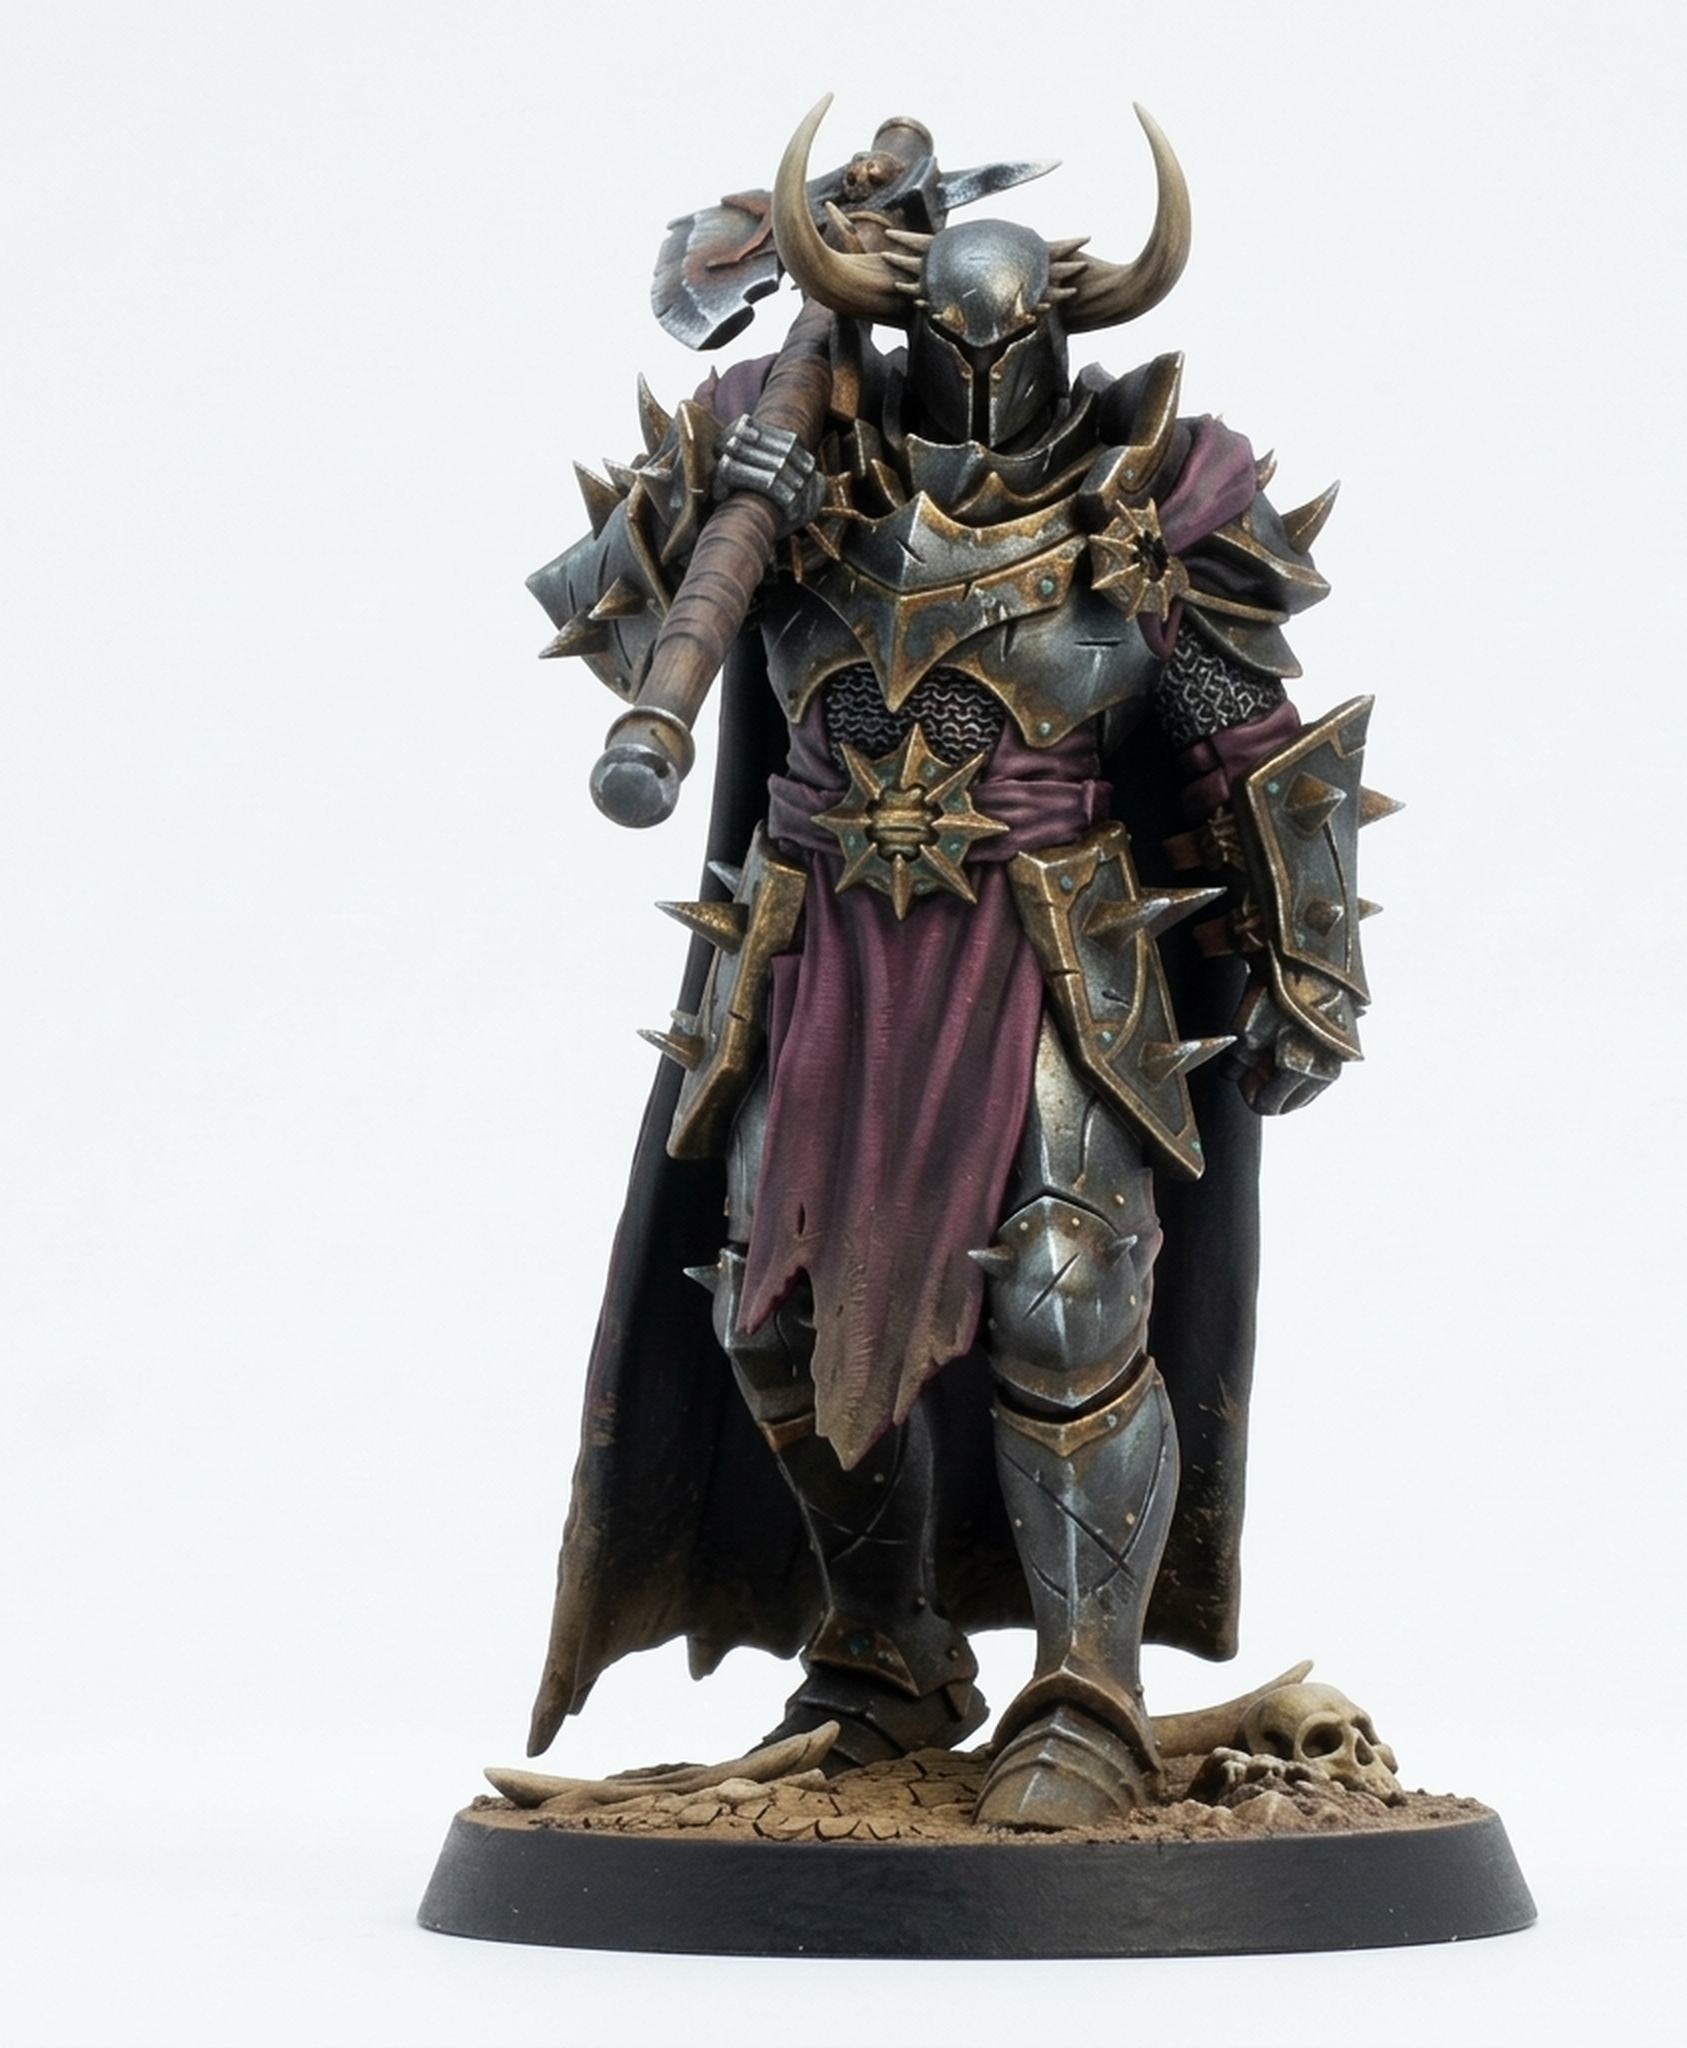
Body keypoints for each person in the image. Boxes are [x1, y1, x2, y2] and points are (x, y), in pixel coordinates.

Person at [522, 102, 1390, 1829]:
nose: (986, 383)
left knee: (1067, 1296)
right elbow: (610, 611)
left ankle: (1087, 1693)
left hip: (1054, 949)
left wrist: (1310, 968)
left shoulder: (1147, 495)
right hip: (821, 951)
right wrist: (726, 494)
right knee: (775, 1309)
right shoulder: (790, 452)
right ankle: (884, 1653)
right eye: (953, 349)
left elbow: (1251, 745)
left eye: (1019, 350)